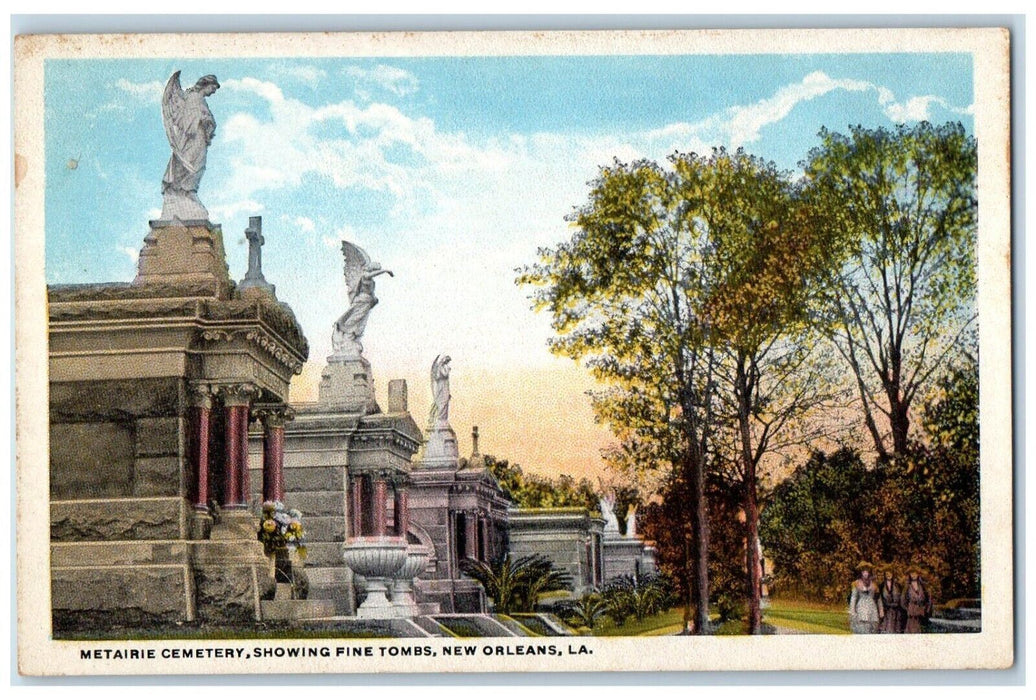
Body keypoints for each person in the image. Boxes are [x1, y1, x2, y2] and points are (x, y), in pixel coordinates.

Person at [849, 569, 883, 634]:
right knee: (862, 626)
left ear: (869, 573)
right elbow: (853, 597)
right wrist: (852, 610)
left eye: (867, 572)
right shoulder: (857, 583)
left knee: (872, 626)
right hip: (861, 606)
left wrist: (881, 610)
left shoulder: (874, 584)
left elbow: (879, 599)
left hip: (872, 607)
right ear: (861, 573)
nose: (865, 573)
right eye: (864, 572)